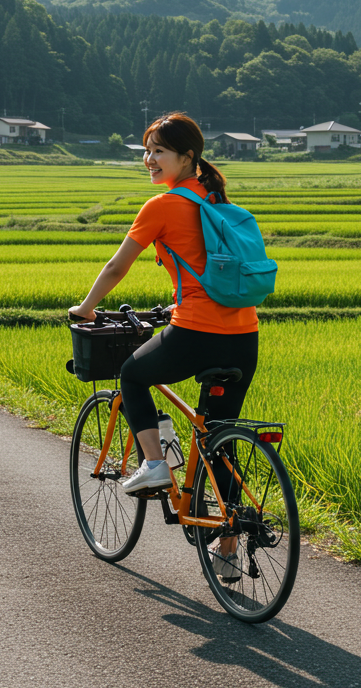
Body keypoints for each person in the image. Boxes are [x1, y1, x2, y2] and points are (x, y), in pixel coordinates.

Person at [68, 112, 258, 580]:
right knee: (219, 438)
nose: (149, 159)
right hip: (244, 336)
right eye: (147, 151)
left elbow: (117, 267)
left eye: (159, 151)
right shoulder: (217, 201)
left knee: (132, 374)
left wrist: (87, 308)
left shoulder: (162, 205)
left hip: (196, 333)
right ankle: (228, 549)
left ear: (187, 157)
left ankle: (154, 462)